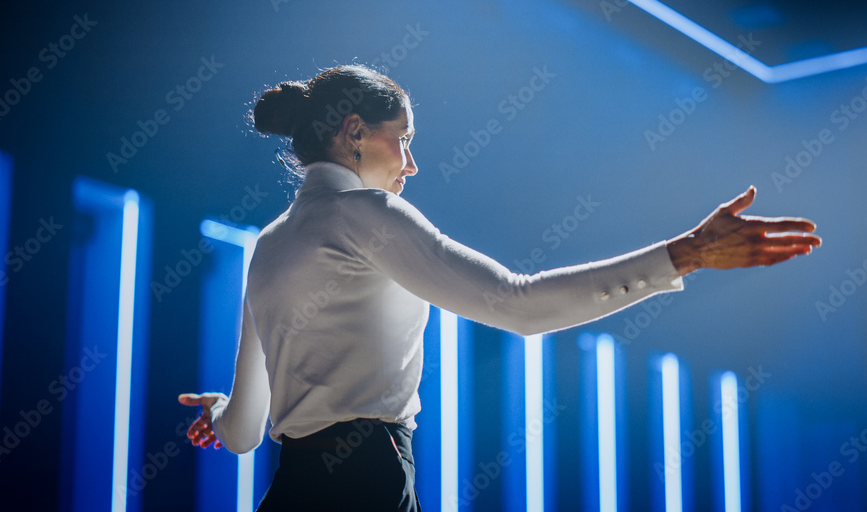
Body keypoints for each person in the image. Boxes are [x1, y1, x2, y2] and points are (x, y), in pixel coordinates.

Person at [178, 64, 821, 511]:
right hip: (368, 480)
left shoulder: (268, 242)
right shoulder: (368, 215)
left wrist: (222, 409)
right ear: (352, 133)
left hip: (292, 492)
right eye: (401, 140)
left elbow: (242, 433)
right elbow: (519, 306)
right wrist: (685, 255)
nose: (410, 163)